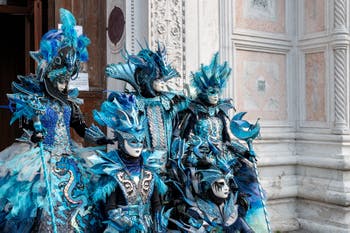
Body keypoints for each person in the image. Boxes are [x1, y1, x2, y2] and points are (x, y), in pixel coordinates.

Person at [0, 8, 110, 233]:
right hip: (42, 161)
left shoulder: (69, 103)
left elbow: (81, 128)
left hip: (70, 159)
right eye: (59, 80)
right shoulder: (36, 101)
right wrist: (35, 134)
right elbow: (26, 127)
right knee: (36, 208)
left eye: (66, 81)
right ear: (48, 73)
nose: (63, 85)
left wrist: (100, 137)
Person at [89, 92, 170, 232]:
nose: (138, 146)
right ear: (121, 141)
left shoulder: (150, 167)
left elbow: (156, 204)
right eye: (133, 141)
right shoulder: (112, 169)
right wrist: (131, 226)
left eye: (141, 141)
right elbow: (111, 208)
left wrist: (158, 223)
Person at [105, 44, 189, 174]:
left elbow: (179, 115)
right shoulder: (135, 102)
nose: (162, 82)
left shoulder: (168, 101)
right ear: (147, 79)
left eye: (163, 79)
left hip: (167, 155)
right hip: (142, 154)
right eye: (158, 79)